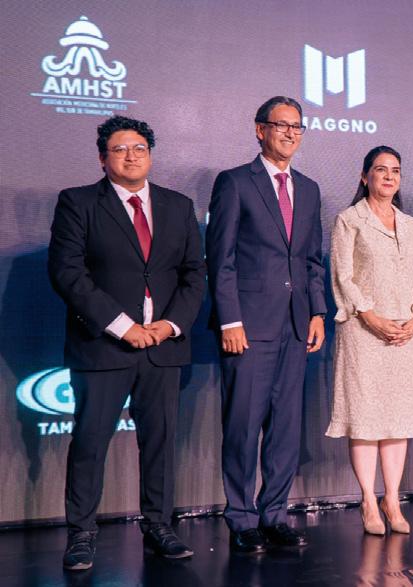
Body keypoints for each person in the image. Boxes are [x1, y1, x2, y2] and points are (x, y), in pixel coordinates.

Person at [48, 116, 206, 570]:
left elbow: (194, 273)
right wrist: (121, 325)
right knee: (90, 442)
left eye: (139, 148)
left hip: (163, 346)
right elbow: (67, 273)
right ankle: (81, 533)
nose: (131, 156)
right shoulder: (78, 202)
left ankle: (159, 526)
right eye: (120, 149)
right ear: (103, 158)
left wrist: (170, 325)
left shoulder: (177, 205)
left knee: (160, 443)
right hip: (104, 346)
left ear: (150, 155)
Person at [206, 96, 326, 553]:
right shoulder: (235, 182)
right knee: (243, 424)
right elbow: (221, 259)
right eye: (281, 125)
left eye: (297, 126)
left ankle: (274, 514)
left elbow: (312, 259)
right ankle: (241, 518)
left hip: (296, 325)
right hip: (248, 326)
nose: (291, 133)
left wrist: (317, 312)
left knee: (285, 429)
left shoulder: (309, 188)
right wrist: (230, 320)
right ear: (260, 130)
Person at [326, 146, 413, 535]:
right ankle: (368, 501)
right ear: (364, 176)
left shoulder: (411, 224)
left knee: (398, 418)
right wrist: (370, 316)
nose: (389, 176)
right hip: (363, 331)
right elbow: (342, 276)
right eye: (380, 169)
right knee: (366, 418)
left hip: (406, 333)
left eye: (395, 171)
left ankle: (391, 498)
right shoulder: (348, 220)